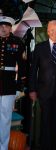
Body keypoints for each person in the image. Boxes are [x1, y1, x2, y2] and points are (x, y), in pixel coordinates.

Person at [29, 20, 56, 150]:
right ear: (48, 31)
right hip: (44, 92)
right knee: (46, 121)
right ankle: (45, 147)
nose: (55, 33)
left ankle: (53, 146)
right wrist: (32, 89)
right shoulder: (39, 48)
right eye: (52, 30)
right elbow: (33, 70)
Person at [0, 15, 26, 150]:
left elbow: (22, 65)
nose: (3, 28)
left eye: (6, 26)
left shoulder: (18, 42)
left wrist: (19, 86)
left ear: (10, 28)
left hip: (9, 84)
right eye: (1, 26)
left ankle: (3, 147)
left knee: (5, 118)